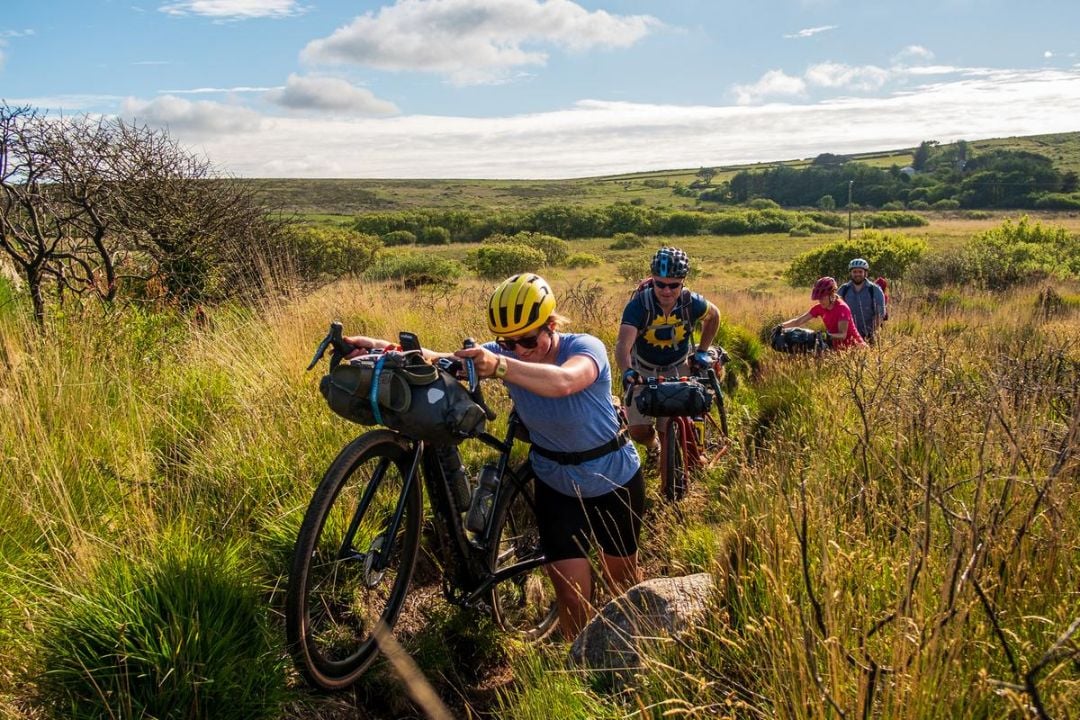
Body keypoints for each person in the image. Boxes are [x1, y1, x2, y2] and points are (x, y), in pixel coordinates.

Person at [344, 273, 643, 639]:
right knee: (572, 594)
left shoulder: (585, 347)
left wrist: (500, 365)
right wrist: (379, 348)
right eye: (507, 342)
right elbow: (440, 359)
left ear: (552, 325)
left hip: (612, 477)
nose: (518, 349)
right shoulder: (506, 352)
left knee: (622, 585)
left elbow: (565, 381)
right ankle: (581, 669)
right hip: (554, 482)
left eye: (528, 339)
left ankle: (632, 654)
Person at [615, 246, 721, 469]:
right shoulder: (639, 306)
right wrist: (627, 371)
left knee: (669, 424)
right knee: (638, 431)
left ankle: (676, 475)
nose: (666, 290)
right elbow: (623, 345)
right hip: (642, 369)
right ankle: (653, 445)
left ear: (683, 282)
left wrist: (702, 350)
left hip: (677, 367)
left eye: (673, 285)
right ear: (652, 280)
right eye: (659, 284)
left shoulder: (692, 302)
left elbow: (714, 316)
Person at [778, 276, 865, 350]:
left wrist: (825, 335)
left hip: (857, 348)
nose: (820, 301)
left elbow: (842, 335)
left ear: (832, 295)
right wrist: (780, 326)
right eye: (819, 298)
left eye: (823, 298)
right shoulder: (819, 308)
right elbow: (798, 321)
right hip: (839, 350)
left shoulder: (842, 308)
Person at [837, 258, 886, 343]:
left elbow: (880, 313)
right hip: (847, 336)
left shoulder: (874, 290)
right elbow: (835, 310)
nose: (857, 274)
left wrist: (873, 333)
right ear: (851, 273)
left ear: (865, 273)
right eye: (854, 272)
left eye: (860, 272)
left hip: (868, 335)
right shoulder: (843, 289)